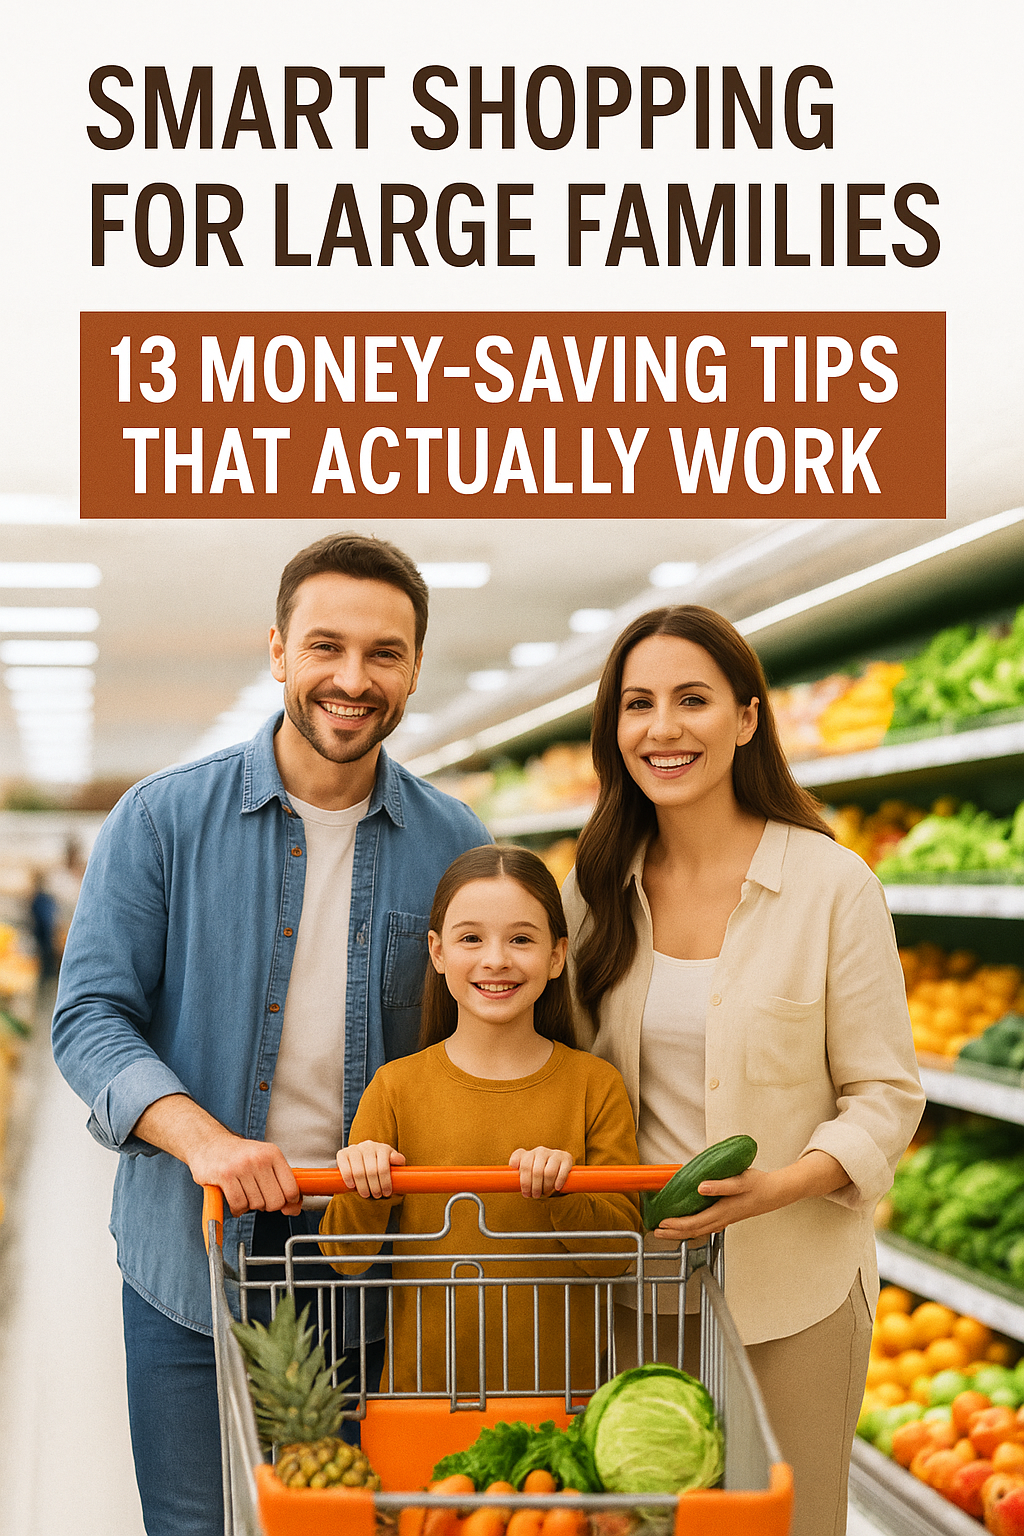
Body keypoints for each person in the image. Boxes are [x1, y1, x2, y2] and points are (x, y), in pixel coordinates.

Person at [51, 532, 490, 1536]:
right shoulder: (161, 821)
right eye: (326, 646)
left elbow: (482, 1031)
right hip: (191, 1247)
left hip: (369, 1253)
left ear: (416, 665)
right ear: (279, 650)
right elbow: (88, 1015)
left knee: (345, 1523)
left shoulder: (455, 844)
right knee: (195, 1524)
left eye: (384, 653)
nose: (352, 678)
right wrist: (204, 1140)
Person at [560, 605, 925, 1536]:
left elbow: (885, 1092)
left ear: (748, 718)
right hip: (633, 1286)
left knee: (790, 1525)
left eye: (693, 700)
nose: (664, 728)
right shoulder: (592, 894)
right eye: (638, 705)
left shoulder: (832, 888)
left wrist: (779, 1186)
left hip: (793, 1287)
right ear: (615, 732)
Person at [320, 843, 642, 1394]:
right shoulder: (395, 1089)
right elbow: (343, 1259)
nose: (496, 959)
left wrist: (565, 1196)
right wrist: (365, 1186)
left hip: (564, 1403)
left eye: (521, 939)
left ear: (558, 955)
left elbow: (617, 1258)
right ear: (438, 951)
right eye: (471, 938)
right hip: (423, 1398)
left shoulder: (595, 1086)